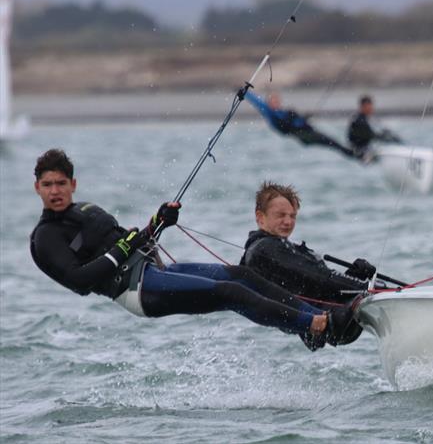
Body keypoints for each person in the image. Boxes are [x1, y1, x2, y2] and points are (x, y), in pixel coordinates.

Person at [29, 148, 355, 351]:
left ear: (73, 184)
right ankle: (316, 326)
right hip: (138, 292)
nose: (55, 191)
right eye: (47, 185)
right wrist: (124, 247)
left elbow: (135, 240)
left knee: (241, 275)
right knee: (229, 291)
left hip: (153, 270)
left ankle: (318, 320)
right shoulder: (45, 238)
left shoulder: (85, 210)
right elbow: (80, 281)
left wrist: (159, 221)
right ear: (37, 188)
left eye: (60, 183)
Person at [240, 181, 380, 347]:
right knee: (371, 289)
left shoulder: (272, 247)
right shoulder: (265, 248)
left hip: (325, 319)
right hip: (326, 322)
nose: (288, 221)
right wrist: (367, 287)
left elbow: (314, 286)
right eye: (281, 215)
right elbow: (320, 278)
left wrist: (354, 275)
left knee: (365, 286)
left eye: (292, 216)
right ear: (260, 217)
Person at [245, 90, 356, 159]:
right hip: (302, 136)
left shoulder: (284, 112)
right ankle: (352, 154)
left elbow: (297, 122)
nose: (276, 103)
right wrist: (245, 92)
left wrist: (304, 118)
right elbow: (257, 102)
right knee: (330, 142)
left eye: (277, 101)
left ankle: (352, 153)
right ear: (269, 103)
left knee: (331, 142)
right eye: (273, 101)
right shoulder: (270, 112)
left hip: (306, 133)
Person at [347, 95, 402, 160]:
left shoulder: (362, 118)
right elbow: (371, 135)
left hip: (362, 150)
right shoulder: (359, 121)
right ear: (362, 107)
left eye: (371, 106)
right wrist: (389, 138)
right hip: (358, 153)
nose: (371, 109)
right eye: (368, 107)